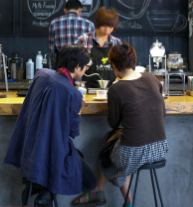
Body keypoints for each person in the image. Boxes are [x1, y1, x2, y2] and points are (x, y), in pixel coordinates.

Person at [72, 43, 167, 207]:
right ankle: (104, 193)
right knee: (115, 143)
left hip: (133, 154)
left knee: (107, 148)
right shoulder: (152, 78)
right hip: (161, 148)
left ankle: (120, 199)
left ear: (114, 66)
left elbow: (113, 123)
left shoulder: (117, 88)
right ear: (134, 61)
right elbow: (162, 112)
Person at [5, 44, 97, 205]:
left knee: (77, 156)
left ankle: (37, 187)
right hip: (53, 152)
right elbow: (72, 132)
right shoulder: (73, 94)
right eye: (85, 67)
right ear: (77, 66)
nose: (85, 71)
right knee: (90, 182)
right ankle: (44, 196)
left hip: (30, 148)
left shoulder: (42, 74)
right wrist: (79, 109)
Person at [76, 7, 122, 88]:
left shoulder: (117, 43)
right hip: (87, 89)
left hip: (111, 89)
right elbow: (73, 63)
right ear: (98, 23)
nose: (107, 30)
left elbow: (121, 67)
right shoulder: (84, 40)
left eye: (111, 27)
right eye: (104, 26)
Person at [49, 0, 95, 68]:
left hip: (62, 62)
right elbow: (90, 48)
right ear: (80, 10)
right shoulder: (89, 24)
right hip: (81, 64)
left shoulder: (54, 23)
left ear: (65, 10)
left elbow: (52, 50)